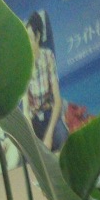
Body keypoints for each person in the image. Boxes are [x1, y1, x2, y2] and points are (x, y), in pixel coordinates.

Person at [24, 10, 69, 152]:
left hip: (50, 116)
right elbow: (26, 110)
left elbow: (57, 101)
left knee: (62, 138)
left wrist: (49, 135)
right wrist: (34, 141)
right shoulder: (24, 65)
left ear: (38, 37)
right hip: (34, 121)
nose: (27, 43)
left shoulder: (48, 57)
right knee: (29, 152)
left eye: (30, 38)